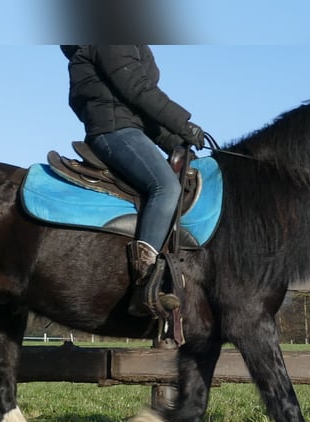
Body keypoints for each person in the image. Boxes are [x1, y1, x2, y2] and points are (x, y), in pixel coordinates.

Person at [60, 45, 205, 317]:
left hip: (128, 128)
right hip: (112, 130)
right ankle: (145, 282)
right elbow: (137, 89)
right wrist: (184, 124)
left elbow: (141, 110)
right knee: (165, 187)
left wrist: (179, 142)